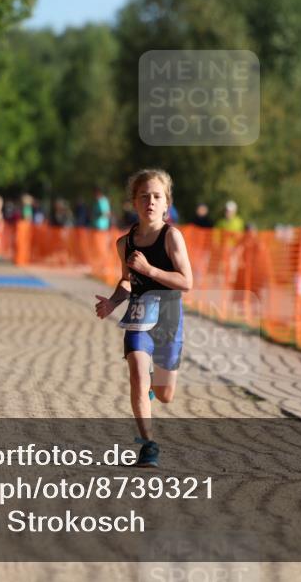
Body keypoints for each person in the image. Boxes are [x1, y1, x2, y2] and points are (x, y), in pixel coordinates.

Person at [94, 169, 193, 468]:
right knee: (137, 371)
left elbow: (186, 282)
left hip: (168, 317)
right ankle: (148, 445)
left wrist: (150, 270)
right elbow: (126, 281)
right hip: (138, 315)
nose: (150, 201)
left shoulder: (172, 237)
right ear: (134, 203)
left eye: (157, 197)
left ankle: (152, 387)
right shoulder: (124, 244)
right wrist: (113, 302)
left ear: (166, 204)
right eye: (144, 196)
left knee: (165, 395)